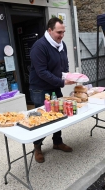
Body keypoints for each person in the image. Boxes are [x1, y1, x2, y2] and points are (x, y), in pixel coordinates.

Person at [29, 17, 75, 163]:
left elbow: (64, 63)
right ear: (49, 30)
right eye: (58, 32)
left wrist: (67, 74)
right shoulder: (39, 47)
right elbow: (42, 72)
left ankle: (57, 142)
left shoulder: (62, 45)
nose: (61, 35)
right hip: (40, 88)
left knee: (58, 114)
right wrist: (62, 82)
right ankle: (37, 147)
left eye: (63, 32)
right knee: (41, 118)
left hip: (54, 86)